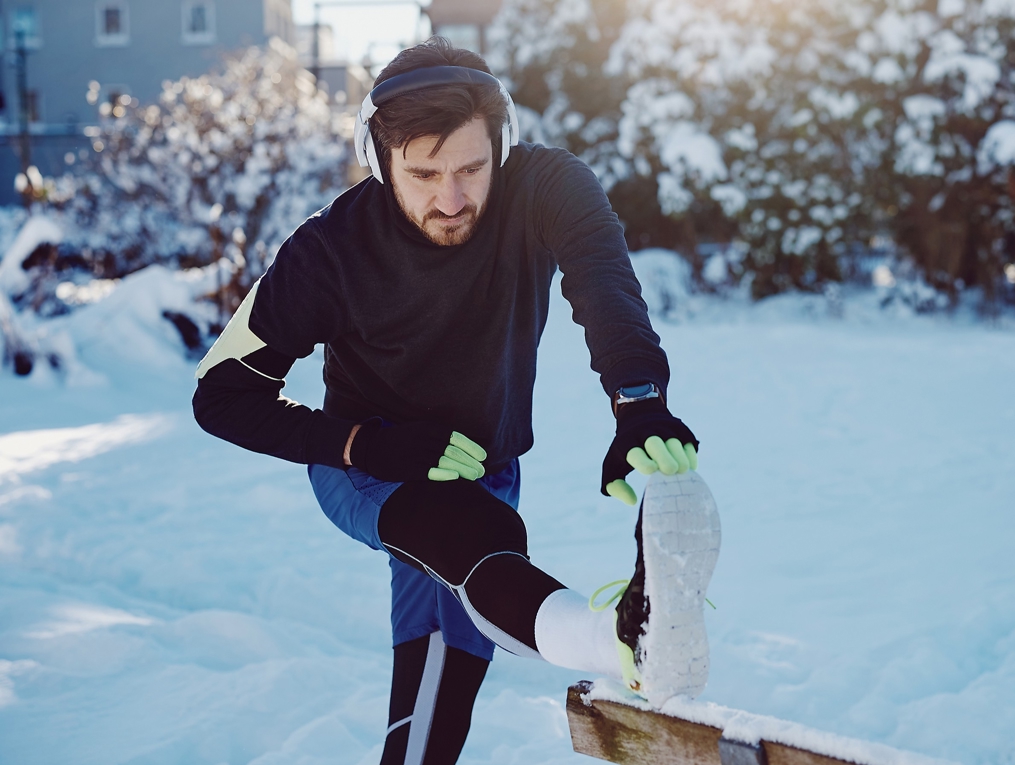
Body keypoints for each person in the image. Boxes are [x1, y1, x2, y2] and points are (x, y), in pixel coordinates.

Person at [191, 37, 719, 764]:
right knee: (473, 531)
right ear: (380, 162)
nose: (452, 197)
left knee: (445, 668)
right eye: (424, 173)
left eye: (472, 168)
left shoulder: (545, 187)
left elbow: (603, 282)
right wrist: (362, 444)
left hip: (485, 462)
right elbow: (220, 397)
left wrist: (638, 402)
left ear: (499, 145)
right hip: (366, 466)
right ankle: (626, 636)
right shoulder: (326, 253)